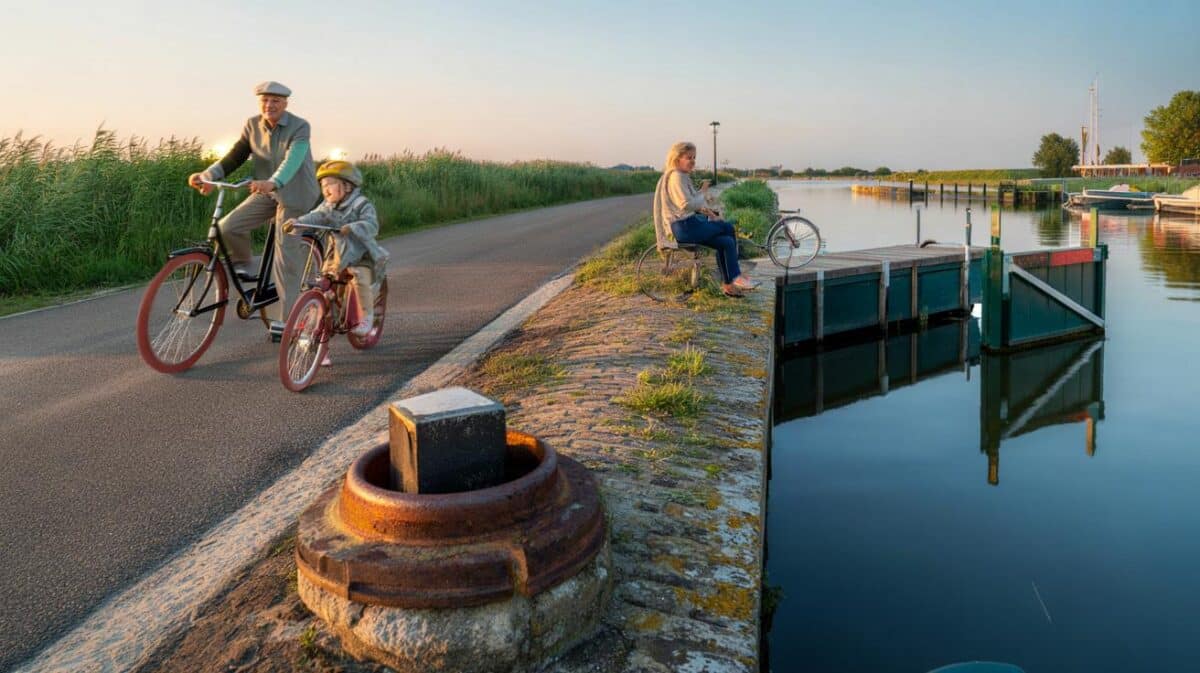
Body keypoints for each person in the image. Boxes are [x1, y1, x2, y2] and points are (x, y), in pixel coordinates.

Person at [187, 81, 321, 332]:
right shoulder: (252, 125)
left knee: (285, 254)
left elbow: (293, 159)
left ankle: (290, 319)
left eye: (275, 101)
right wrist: (208, 175)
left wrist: (274, 182)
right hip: (266, 190)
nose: (269, 105)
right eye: (265, 100)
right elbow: (236, 155)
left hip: (296, 193)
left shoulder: (300, 127)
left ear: (285, 104)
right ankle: (245, 268)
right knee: (226, 227)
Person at [284, 160, 388, 338]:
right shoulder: (328, 206)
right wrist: (298, 222)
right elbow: (316, 216)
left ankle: (366, 318)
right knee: (324, 284)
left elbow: (372, 225)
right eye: (323, 185)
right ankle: (320, 318)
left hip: (361, 254)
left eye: (330, 184)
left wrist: (353, 227)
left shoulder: (361, 204)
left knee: (359, 277)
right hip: (337, 255)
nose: (325, 189)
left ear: (347, 186)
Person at [652, 141, 759, 297]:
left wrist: (707, 211)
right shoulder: (676, 177)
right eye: (689, 157)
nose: (693, 161)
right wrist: (702, 192)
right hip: (685, 228)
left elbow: (692, 201)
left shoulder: (682, 176)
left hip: (689, 225)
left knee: (726, 242)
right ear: (677, 158)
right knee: (727, 228)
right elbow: (685, 204)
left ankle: (729, 285)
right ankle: (735, 277)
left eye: (694, 157)